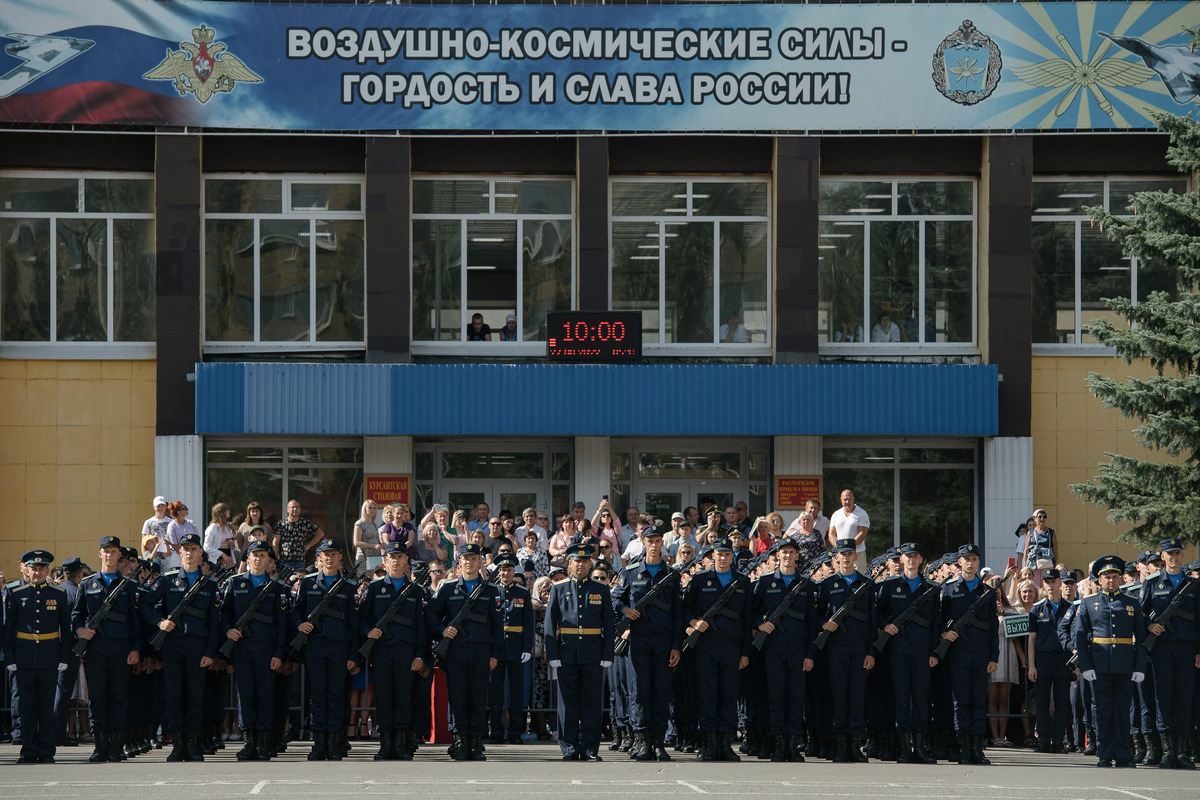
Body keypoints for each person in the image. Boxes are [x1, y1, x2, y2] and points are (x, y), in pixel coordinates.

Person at [141, 532, 220, 763]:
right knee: (174, 696)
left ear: (200, 553)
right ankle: (177, 745)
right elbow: (145, 604)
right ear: (179, 552)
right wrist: (159, 622)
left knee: (196, 696)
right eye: (185, 549)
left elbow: (215, 622)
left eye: (194, 549)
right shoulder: (168, 579)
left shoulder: (210, 584)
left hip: (198, 647)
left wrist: (209, 652)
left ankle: (193, 745)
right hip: (173, 645)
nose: (189, 552)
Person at [428, 542, 503, 761]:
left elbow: (498, 626)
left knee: (478, 698)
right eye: (466, 558)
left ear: (480, 562)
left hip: (481, 651)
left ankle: (476, 742)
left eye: (474, 558)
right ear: (459, 562)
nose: (469, 562)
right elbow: (430, 615)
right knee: (458, 698)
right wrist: (443, 630)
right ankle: (460, 741)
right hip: (456, 652)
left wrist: (495, 654)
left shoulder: (491, 590)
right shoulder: (448, 589)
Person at [614, 524, 682, 761]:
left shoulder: (672, 575)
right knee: (640, 691)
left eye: (657, 541)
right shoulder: (631, 572)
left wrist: (676, 646)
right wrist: (625, 610)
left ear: (662, 543)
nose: (654, 545)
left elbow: (678, 615)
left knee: (661, 691)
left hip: (664, 642)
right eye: (650, 540)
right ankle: (642, 740)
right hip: (640, 640)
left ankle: (658, 741)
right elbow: (614, 600)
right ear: (643, 543)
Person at [71, 535, 141, 763]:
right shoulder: (88, 584)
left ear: (119, 555)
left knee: (119, 696)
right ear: (99, 553)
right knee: (98, 697)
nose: (110, 555)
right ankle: (100, 746)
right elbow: (76, 616)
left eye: (114, 551)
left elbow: (135, 622)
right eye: (106, 551)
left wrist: (135, 649)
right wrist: (80, 631)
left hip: (121, 648)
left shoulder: (129, 586)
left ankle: (115, 747)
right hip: (96, 648)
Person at [683, 536, 752, 761]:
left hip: (732, 648)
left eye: (726, 554)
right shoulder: (701, 579)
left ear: (732, 556)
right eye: (718, 554)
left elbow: (747, 619)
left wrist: (745, 653)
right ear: (712, 556)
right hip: (707, 647)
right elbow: (686, 609)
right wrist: (694, 623)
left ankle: (725, 744)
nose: (722, 558)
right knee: (708, 695)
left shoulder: (742, 582)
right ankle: (710, 744)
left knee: (729, 696)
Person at [545, 541, 615, 761]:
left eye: (585, 560)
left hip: (592, 652)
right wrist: (553, 653)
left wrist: (607, 653)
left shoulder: (601, 588)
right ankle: (569, 747)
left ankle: (590, 748)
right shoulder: (559, 587)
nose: (581, 564)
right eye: (577, 560)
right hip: (567, 652)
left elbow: (609, 624)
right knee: (567, 703)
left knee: (592, 702)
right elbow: (549, 623)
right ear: (570, 563)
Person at [358, 540, 427, 761]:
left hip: (407, 652)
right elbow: (362, 618)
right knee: (385, 697)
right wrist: (369, 631)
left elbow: (420, 627)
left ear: (407, 560)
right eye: (392, 557)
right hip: (382, 651)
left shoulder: (415, 591)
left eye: (400, 556)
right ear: (385, 560)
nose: (396, 561)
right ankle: (385, 744)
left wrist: (419, 655)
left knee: (404, 697)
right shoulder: (375, 588)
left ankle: (401, 743)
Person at [291, 538, 359, 761]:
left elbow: (354, 625)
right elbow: (295, 611)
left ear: (340, 558)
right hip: (316, 647)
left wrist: (352, 655)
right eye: (325, 554)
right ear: (319, 557)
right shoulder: (309, 583)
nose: (329, 558)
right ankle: (319, 742)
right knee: (318, 695)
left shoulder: (348, 587)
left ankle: (334, 742)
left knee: (337, 696)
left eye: (334, 554)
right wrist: (300, 624)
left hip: (339, 648)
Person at [1077, 555, 1148, 768]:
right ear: (1099, 580)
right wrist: (1086, 665)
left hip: (1124, 665)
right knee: (1102, 711)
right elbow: (1080, 637)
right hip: (1099, 665)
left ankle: (1124, 753)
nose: (1111, 580)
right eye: (1106, 576)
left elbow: (1141, 637)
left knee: (1123, 710)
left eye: (1115, 576)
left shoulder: (1131, 603)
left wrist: (1139, 666)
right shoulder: (1088, 603)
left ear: (1121, 578)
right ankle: (1105, 753)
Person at [221, 540, 288, 761]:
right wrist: (229, 630)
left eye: (262, 555)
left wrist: (279, 653)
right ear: (247, 559)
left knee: (266, 696)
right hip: (242, 649)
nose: (258, 559)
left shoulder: (277, 588)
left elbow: (282, 625)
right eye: (254, 555)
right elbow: (224, 615)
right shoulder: (235, 583)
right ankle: (249, 742)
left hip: (267, 650)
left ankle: (262, 744)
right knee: (246, 695)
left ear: (269, 559)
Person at [752, 536, 817, 762]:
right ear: (777, 555)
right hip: (773, 650)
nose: (788, 556)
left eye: (792, 552)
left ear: (797, 556)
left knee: (796, 698)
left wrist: (810, 654)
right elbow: (750, 611)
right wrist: (759, 624)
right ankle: (779, 745)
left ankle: (793, 745)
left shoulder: (807, 585)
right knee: (777, 698)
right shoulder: (766, 581)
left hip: (798, 651)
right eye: (784, 552)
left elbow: (812, 624)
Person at [874, 541, 940, 763]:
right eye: (907, 556)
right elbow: (878, 613)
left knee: (921, 700)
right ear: (901, 560)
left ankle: (920, 748)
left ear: (921, 559)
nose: (911, 560)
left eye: (915, 556)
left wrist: (934, 652)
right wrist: (886, 625)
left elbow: (935, 624)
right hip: (898, 650)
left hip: (922, 651)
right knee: (902, 699)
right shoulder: (891, 586)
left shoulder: (930, 588)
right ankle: (904, 749)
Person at [812, 537, 877, 763]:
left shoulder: (866, 585)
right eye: (843, 554)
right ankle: (840, 746)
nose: (847, 557)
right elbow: (816, 614)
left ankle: (854, 746)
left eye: (851, 553)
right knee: (839, 697)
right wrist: (823, 624)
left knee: (857, 698)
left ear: (856, 557)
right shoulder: (826, 585)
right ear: (836, 557)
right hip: (836, 649)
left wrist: (871, 652)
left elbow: (872, 622)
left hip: (859, 650)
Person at [1139, 537, 1200, 769]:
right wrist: (1148, 625)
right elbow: (1140, 613)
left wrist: (1199, 651)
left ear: (1183, 556)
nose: (1174, 558)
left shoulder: (1193, 585)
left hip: (1187, 648)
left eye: (1178, 553)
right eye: (1170, 554)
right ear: (1162, 557)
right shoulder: (1153, 583)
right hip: (1162, 648)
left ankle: (1182, 752)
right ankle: (1168, 751)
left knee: (1184, 697)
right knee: (1163, 697)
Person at [5, 549, 71, 764]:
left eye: (42, 568)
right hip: (24, 657)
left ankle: (46, 750)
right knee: (26, 707)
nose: (38, 572)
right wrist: (10, 658)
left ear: (47, 570)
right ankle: (28, 749)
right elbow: (8, 629)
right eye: (34, 568)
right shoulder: (15, 593)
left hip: (49, 656)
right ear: (27, 569)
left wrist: (63, 657)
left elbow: (65, 630)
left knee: (46, 706)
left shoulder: (58, 594)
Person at [939, 543, 999, 766]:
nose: (971, 563)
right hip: (958, 654)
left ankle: (977, 749)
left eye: (975, 559)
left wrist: (994, 657)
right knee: (961, 701)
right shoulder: (949, 588)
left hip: (982, 653)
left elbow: (993, 627)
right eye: (967, 559)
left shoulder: (986, 592)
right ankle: (964, 749)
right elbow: (940, 620)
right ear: (959, 562)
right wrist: (944, 633)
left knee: (978, 701)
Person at [489, 552, 535, 745]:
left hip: (516, 646)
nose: (505, 573)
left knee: (517, 692)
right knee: (496, 692)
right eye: (502, 570)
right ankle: (497, 731)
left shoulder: (522, 593)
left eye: (508, 570)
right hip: (497, 648)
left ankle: (516, 731)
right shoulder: (492, 591)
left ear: (514, 571)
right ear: (498, 572)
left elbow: (528, 623)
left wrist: (527, 647)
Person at [1028, 567, 1072, 754]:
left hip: (1063, 659)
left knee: (1062, 702)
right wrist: (1031, 665)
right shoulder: (1037, 609)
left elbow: (1073, 637)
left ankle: (1058, 741)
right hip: (1043, 659)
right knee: (1042, 702)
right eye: (1047, 582)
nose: (1050, 585)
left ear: (1059, 583)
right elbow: (1031, 638)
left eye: (1053, 582)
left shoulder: (1071, 607)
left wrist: (1075, 666)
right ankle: (1044, 741)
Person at [276, 499, 325, 571]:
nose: (295, 509)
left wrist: (308, 545)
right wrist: (275, 558)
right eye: (292, 507)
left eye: (297, 507)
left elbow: (320, 533)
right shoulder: (281, 524)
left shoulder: (305, 523)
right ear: (287, 509)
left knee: (299, 581)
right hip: (284, 561)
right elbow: (276, 542)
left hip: (299, 561)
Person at [828, 489, 869, 554]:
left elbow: (862, 533)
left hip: (857, 552)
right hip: (841, 553)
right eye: (845, 499)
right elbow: (831, 535)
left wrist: (849, 548)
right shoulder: (836, 514)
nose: (847, 502)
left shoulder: (862, 513)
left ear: (853, 499)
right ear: (841, 499)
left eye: (850, 499)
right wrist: (840, 548)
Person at [141, 496, 172, 570]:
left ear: (166, 507)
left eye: (162, 505)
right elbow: (143, 542)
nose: (160, 508)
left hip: (168, 556)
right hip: (154, 557)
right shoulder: (148, 522)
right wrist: (146, 557)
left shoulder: (171, 522)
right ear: (154, 507)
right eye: (158, 506)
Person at [203, 502, 236, 569]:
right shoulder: (212, 528)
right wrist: (222, 554)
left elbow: (232, 548)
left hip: (229, 559)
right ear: (222, 513)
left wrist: (232, 544)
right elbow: (206, 547)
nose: (229, 511)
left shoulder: (228, 527)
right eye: (227, 510)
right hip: (217, 560)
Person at [352, 499, 383, 570]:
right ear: (364, 510)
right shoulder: (359, 523)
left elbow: (377, 540)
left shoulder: (375, 524)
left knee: (375, 578)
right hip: (364, 557)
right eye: (370, 508)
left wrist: (383, 544)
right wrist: (374, 546)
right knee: (363, 579)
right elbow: (356, 543)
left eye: (374, 508)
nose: (372, 510)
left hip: (375, 557)